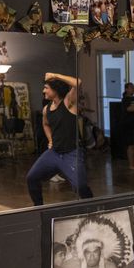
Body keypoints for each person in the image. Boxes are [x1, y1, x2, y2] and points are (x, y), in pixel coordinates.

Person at [26, 73, 93, 205]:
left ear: (55, 90)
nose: (43, 91)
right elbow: (45, 124)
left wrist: (55, 76)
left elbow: (78, 82)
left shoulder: (69, 102)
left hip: (72, 153)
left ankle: (91, 208)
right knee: (31, 178)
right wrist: (50, 139)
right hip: (54, 153)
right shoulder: (46, 109)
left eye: (46, 88)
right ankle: (38, 208)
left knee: (81, 186)